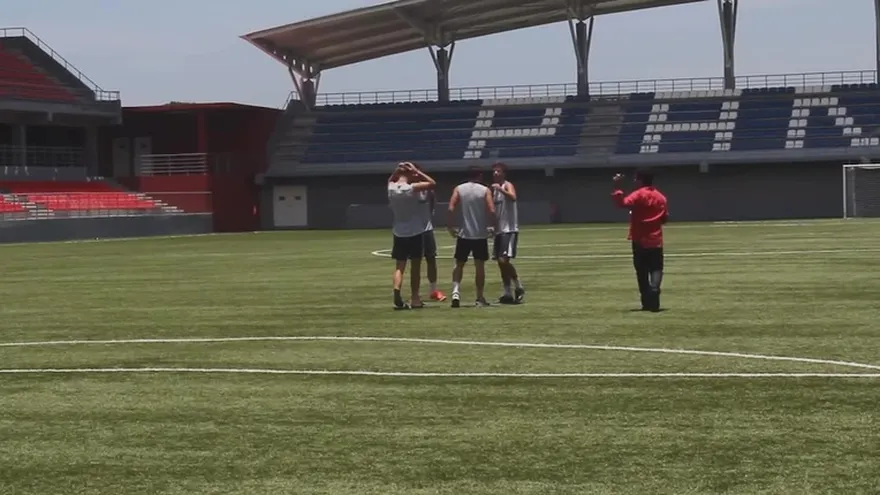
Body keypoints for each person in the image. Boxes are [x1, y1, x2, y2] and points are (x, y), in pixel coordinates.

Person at [611, 168, 669, 312]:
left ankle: (646, 301)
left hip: (639, 238)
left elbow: (622, 203)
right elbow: (664, 218)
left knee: (641, 270)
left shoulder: (638, 194)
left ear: (640, 180)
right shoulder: (661, 197)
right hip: (656, 238)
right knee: (656, 267)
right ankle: (655, 289)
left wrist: (617, 186)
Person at [388, 162, 436, 309]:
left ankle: (397, 289)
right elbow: (432, 183)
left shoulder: (391, 188)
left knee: (399, 266)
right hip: (416, 231)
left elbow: (391, 179)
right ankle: (415, 298)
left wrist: (397, 170)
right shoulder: (411, 188)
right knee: (415, 266)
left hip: (399, 231)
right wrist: (417, 171)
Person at [446, 166, 496, 308]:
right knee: (479, 266)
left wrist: (450, 226)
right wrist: (493, 226)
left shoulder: (459, 189)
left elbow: (450, 208)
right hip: (479, 234)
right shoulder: (485, 190)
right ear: (480, 175)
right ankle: (479, 297)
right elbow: (492, 210)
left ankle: (455, 292)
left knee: (459, 264)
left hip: (464, 234)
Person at [490, 162, 525, 304]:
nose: (495, 173)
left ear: (504, 173)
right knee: (500, 263)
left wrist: (501, 189)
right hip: (499, 231)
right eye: (494, 171)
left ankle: (518, 286)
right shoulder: (493, 190)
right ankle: (507, 292)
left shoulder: (507, 185)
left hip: (509, 229)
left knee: (503, 260)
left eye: (498, 171)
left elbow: (513, 197)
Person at [412, 163, 447, 302]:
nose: (416, 174)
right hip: (413, 230)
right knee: (415, 262)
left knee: (431, 259)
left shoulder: (427, 188)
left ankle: (433, 290)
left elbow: (433, 191)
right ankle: (415, 294)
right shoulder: (407, 188)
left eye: (418, 172)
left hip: (427, 229)